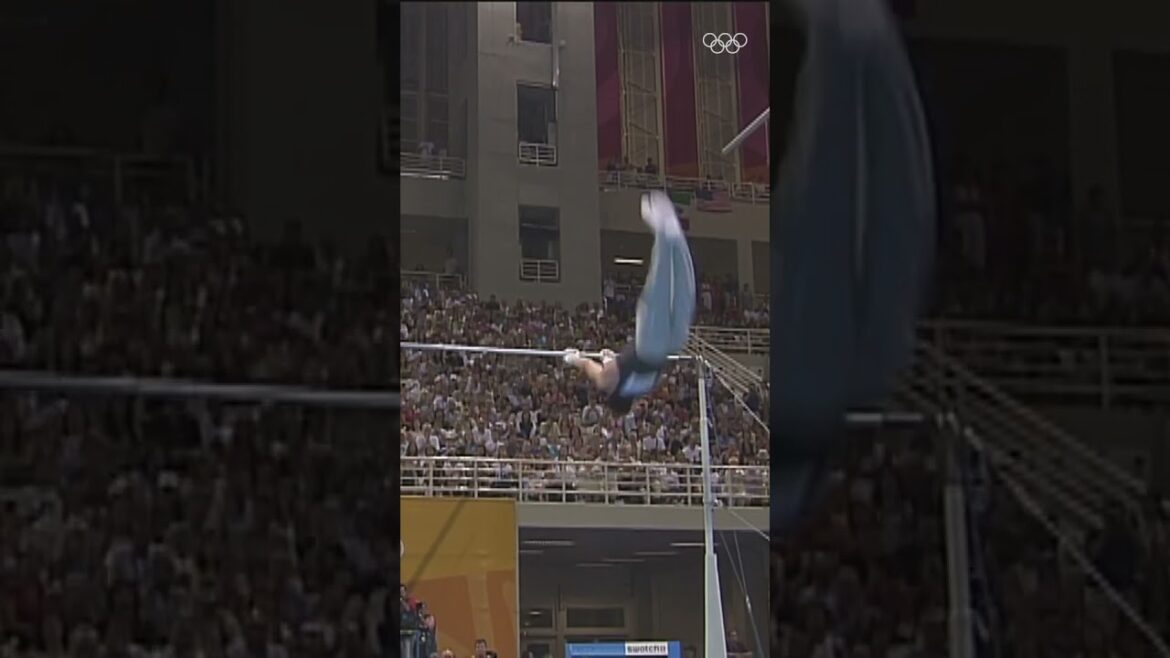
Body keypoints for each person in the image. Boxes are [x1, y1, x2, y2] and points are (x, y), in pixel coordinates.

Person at [771, 0, 936, 532]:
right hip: (821, 376)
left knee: (832, 173)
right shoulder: (866, 372)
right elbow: (900, 232)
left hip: (816, 377)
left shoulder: (864, 373)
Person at [564, 190, 695, 413]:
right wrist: (573, 358)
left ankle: (674, 239)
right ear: (612, 395)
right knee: (658, 288)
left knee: (683, 290)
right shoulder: (608, 383)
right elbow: (589, 366)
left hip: (672, 344)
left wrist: (608, 360)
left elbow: (617, 369)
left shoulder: (643, 387)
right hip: (650, 344)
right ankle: (664, 235)